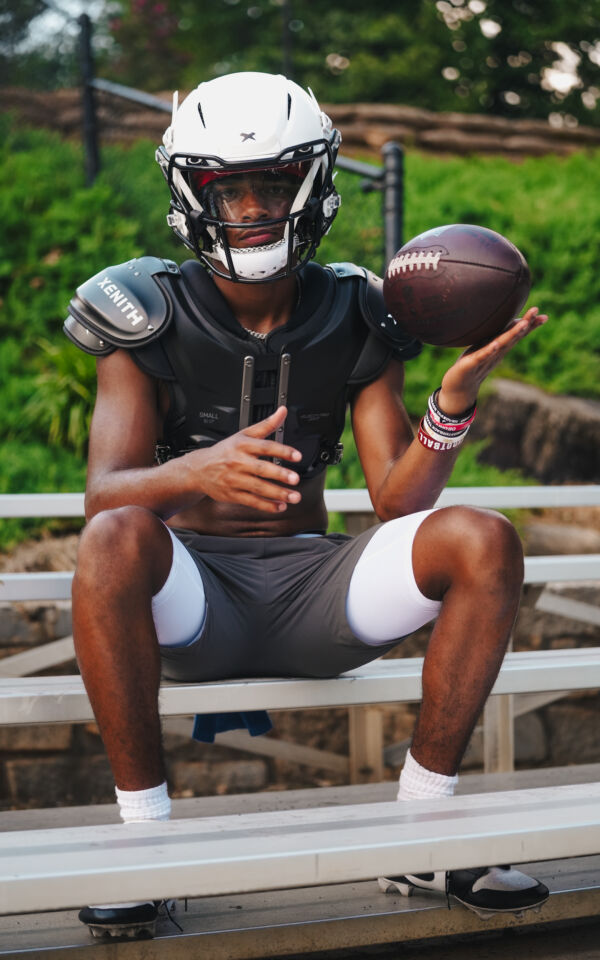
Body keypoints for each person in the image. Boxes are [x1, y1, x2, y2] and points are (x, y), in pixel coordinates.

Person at [64, 71, 548, 940]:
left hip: (316, 594)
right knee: (111, 540)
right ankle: (144, 845)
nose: (250, 206)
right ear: (192, 194)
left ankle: (424, 829)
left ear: (313, 185)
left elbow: (396, 501)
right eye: (229, 187)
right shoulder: (144, 310)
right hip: (194, 600)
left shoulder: (362, 308)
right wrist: (198, 470)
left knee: (482, 537)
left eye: (273, 184)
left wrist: (451, 406)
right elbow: (106, 494)